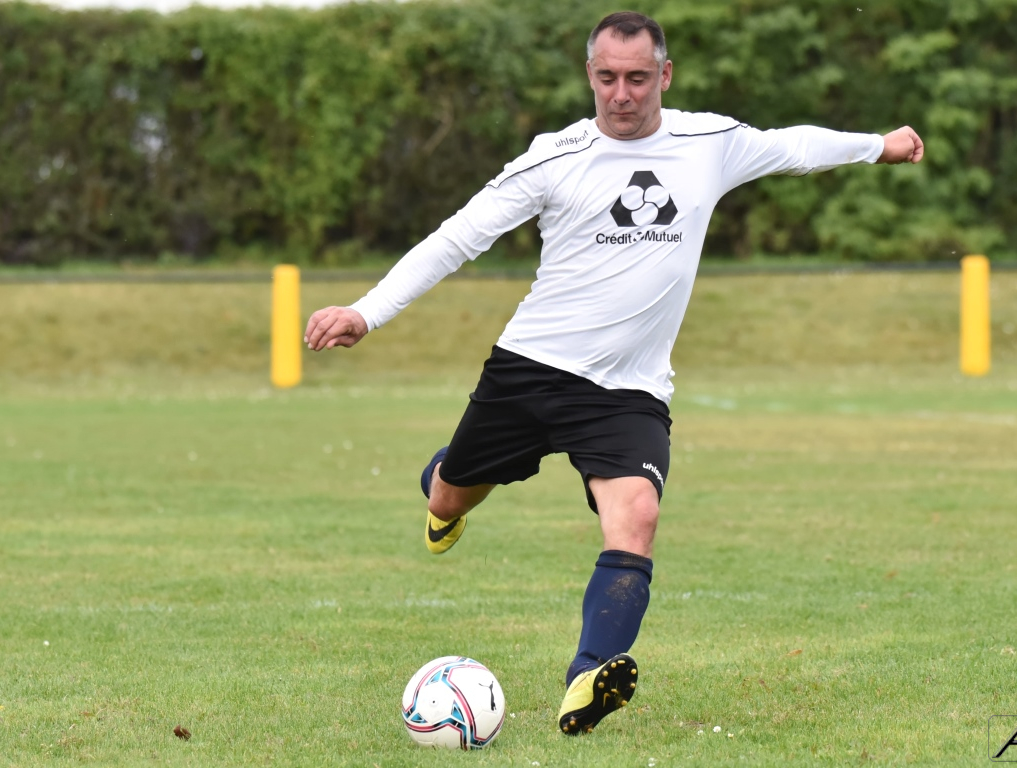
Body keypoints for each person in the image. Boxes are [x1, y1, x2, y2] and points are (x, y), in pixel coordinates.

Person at [304, 11, 924, 736]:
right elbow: (458, 238)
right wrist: (367, 312)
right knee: (449, 494)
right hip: (531, 372)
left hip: (629, 392)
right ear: (589, 76)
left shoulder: (711, 143)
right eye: (607, 78)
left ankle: (588, 677)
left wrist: (878, 146)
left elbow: (796, 147)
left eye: (637, 77)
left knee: (637, 518)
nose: (621, 93)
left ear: (665, 75)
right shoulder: (554, 157)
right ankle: (443, 485)